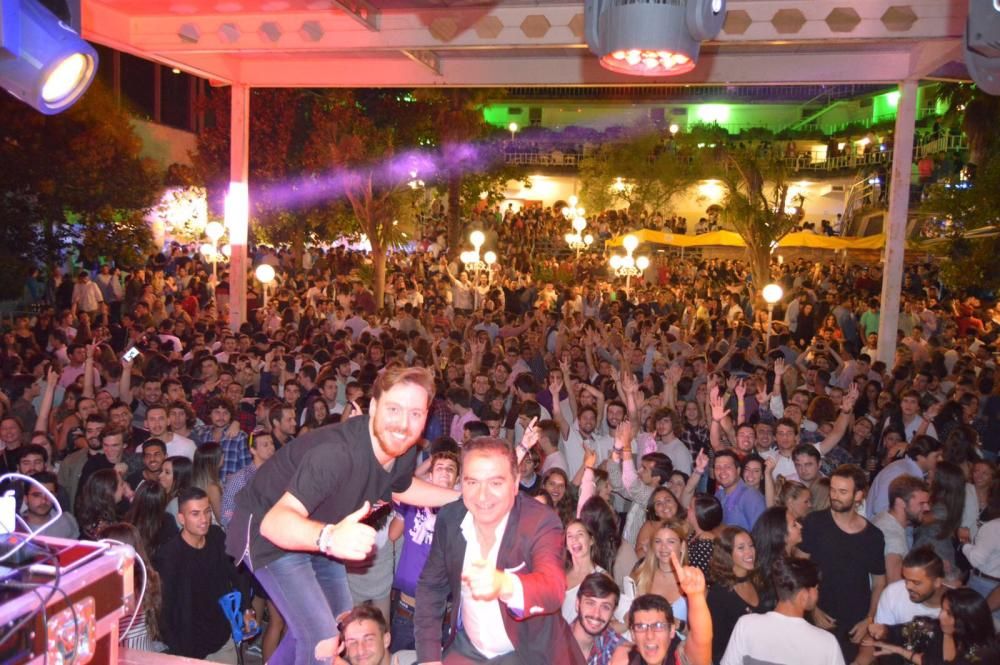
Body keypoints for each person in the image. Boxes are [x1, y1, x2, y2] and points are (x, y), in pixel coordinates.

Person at [226, 367, 458, 665]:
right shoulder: (337, 454)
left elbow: (403, 488)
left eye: (415, 413)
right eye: (393, 409)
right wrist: (329, 537)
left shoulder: (403, 451)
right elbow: (274, 523)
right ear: (374, 407)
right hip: (267, 528)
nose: (403, 424)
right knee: (322, 639)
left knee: (336, 624)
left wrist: (464, 498)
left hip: (322, 528)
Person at [414, 436, 584, 664]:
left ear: (515, 484)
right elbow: (431, 587)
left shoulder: (539, 520)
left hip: (527, 652)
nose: (482, 496)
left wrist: (505, 584)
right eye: (472, 482)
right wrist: (429, 657)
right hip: (470, 648)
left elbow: (552, 587)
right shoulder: (451, 518)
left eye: (495, 483)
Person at [800, 464, 887, 662]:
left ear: (858, 496)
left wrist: (869, 619)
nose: (835, 496)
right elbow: (799, 569)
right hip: (817, 617)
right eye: (832, 489)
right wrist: (811, 609)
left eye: (843, 491)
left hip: (854, 624)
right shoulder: (814, 523)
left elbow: (879, 582)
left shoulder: (873, 536)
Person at [155, 487, 252, 663]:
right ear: (181, 518)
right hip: (188, 647)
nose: (204, 519)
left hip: (222, 637)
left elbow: (239, 573)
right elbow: (164, 609)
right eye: (195, 514)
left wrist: (246, 607)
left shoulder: (217, 536)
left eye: (207, 512)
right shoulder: (169, 556)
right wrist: (177, 649)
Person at [387, 450, 461, 652]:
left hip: (441, 612)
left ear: (457, 479)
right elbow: (393, 534)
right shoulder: (412, 502)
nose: (444, 473)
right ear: (429, 475)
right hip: (407, 610)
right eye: (439, 468)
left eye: (450, 469)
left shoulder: (464, 512)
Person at [721, 557, 845, 665]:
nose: (818, 592)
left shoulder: (746, 625)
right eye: (816, 588)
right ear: (804, 596)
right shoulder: (826, 643)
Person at [864, 587, 998, 665]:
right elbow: (904, 631)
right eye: (942, 609)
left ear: (965, 620)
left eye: (948, 613)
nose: (940, 616)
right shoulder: (936, 627)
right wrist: (885, 631)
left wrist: (900, 651)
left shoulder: (982, 653)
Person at [609, 565, 712, 665]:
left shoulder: (679, 657)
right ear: (632, 634)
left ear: (671, 630)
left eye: (658, 626)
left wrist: (696, 596)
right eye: (641, 626)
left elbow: (701, 641)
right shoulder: (626, 659)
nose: (649, 635)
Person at [706, 526, 760, 663]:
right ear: (727, 554)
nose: (749, 552)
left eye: (751, 546)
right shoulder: (719, 595)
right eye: (741, 548)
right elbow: (717, 648)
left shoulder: (759, 582)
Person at [872, 474, 930, 583]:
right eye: (921, 503)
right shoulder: (894, 540)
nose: (927, 508)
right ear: (900, 502)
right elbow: (894, 587)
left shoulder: (883, 517)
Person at [874, 546, 945, 627]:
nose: (908, 586)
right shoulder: (892, 592)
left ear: (937, 582)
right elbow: (880, 635)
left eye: (916, 582)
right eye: (906, 579)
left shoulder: (957, 606)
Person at [572, 573, 625, 665]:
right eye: (590, 603)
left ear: (613, 612)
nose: (596, 614)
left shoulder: (616, 647)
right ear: (577, 604)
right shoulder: (552, 646)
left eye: (605, 607)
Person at [18, 471, 79, 539]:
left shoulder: (68, 521)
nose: (44, 500)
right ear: (25, 498)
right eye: (37, 495)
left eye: (49, 495)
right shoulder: (15, 527)